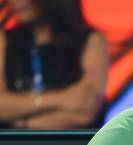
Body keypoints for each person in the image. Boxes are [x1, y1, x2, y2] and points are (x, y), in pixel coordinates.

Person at [0, 0, 108, 129]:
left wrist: (20, 122)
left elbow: (85, 111)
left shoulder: (91, 41)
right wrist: (63, 99)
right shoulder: (5, 40)